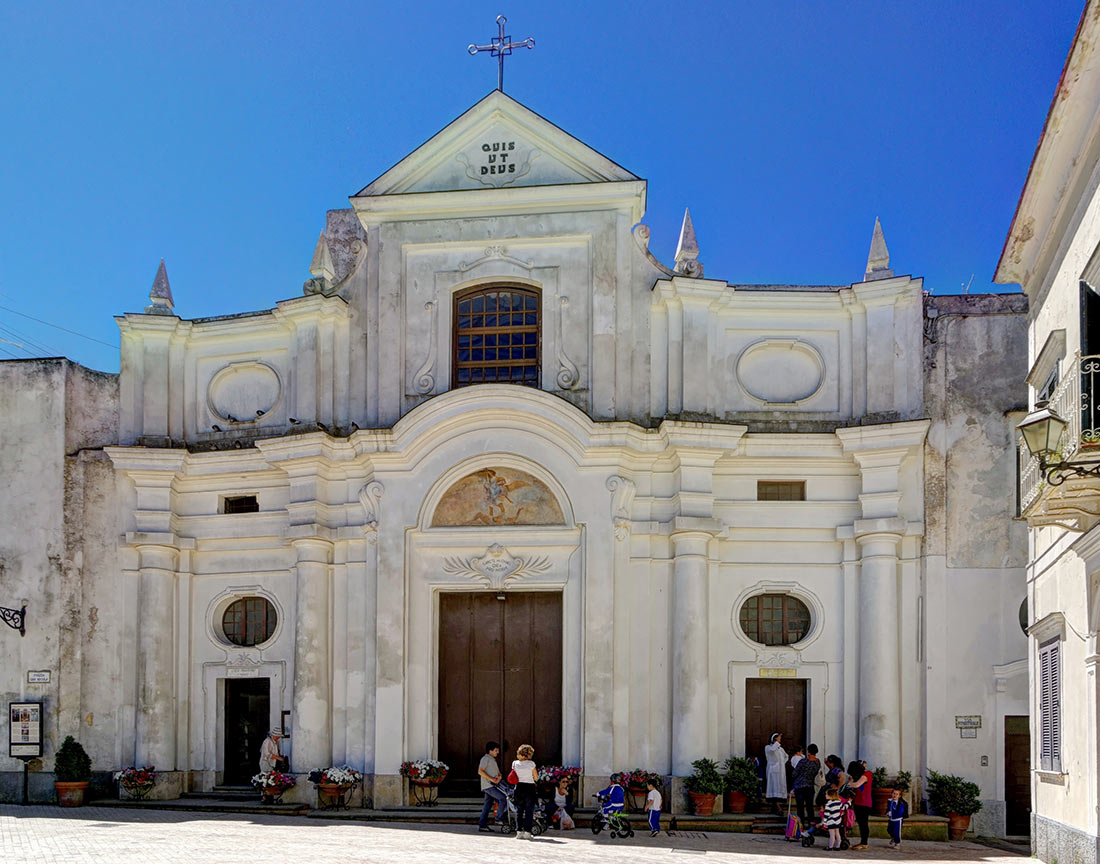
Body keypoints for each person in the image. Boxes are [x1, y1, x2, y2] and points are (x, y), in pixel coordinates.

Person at [477, 740, 507, 832]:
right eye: (496, 750)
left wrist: (499, 777)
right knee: (503, 798)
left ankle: (482, 825)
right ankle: (498, 818)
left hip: (492, 785)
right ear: (490, 750)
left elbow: (497, 773)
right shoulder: (485, 759)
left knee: (487, 805)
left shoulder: (492, 760)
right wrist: (491, 779)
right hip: (489, 786)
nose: (497, 752)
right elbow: (480, 771)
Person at [511, 744, 539, 840]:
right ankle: (527, 832)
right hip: (529, 788)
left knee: (519, 810)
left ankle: (518, 831)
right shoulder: (531, 764)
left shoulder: (514, 763)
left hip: (519, 787)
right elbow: (536, 777)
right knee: (529, 811)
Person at [791, 743, 822, 827]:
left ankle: (800, 825)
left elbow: (794, 774)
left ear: (808, 752)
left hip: (800, 786)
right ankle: (811, 823)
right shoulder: (817, 762)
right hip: (810, 786)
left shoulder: (803, 761)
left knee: (800, 807)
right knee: (810, 806)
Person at [847, 760, 873, 850]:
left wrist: (849, 783)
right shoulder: (863, 775)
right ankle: (862, 842)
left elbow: (857, 785)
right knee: (861, 823)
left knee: (863, 823)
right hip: (858, 802)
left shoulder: (867, 775)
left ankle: (864, 843)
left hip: (864, 803)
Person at [764, 732, 788, 811]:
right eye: (778, 739)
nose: (780, 740)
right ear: (774, 739)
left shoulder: (781, 749)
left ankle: (776, 806)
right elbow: (772, 750)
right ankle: (777, 806)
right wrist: (776, 764)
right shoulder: (768, 747)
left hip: (780, 771)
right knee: (773, 787)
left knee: (780, 787)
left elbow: (786, 756)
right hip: (773, 771)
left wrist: (781, 763)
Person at [822, 785, 846, 851]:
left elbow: (826, 814)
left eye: (826, 794)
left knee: (832, 835)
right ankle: (837, 846)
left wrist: (824, 823)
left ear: (830, 795)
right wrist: (849, 802)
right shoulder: (839, 802)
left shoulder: (828, 804)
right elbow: (844, 807)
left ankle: (830, 847)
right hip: (838, 821)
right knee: (837, 834)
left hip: (831, 821)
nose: (825, 795)